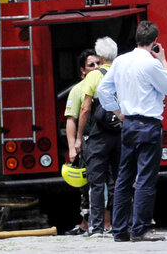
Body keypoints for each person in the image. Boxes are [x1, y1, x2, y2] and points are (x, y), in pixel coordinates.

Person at [97, 20, 167, 243]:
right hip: (149, 124)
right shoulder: (151, 64)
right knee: (145, 178)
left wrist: (118, 111)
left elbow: (103, 89)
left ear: (136, 38)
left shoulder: (121, 61)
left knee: (123, 178)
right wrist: (163, 60)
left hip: (129, 123)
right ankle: (139, 228)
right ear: (155, 41)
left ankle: (119, 230)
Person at [78, 37, 120, 236]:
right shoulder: (122, 73)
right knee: (119, 180)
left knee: (97, 182)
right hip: (120, 132)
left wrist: (80, 135)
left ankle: (96, 227)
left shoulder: (93, 76)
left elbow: (86, 108)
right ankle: (119, 223)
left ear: (101, 56)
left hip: (99, 136)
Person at [64, 48, 100, 235]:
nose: (95, 67)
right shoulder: (77, 91)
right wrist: (72, 147)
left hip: (104, 140)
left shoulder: (106, 84)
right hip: (86, 141)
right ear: (82, 71)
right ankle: (85, 223)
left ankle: (107, 223)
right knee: (86, 184)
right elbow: (71, 119)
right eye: (91, 65)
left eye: (98, 63)